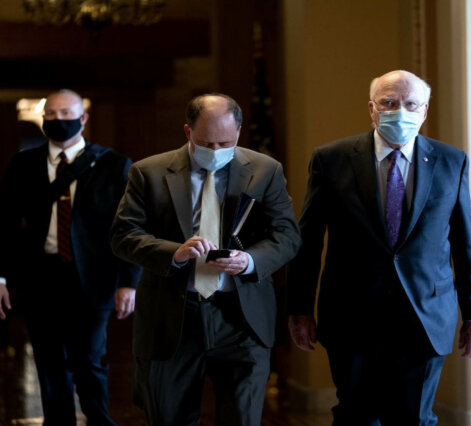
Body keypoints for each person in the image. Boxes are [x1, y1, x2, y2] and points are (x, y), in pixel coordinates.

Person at [286, 70, 471, 425]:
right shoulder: (331, 159)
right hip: (352, 314)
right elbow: (310, 239)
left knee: (413, 417)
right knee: (355, 415)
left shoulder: (450, 160)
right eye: (389, 103)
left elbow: (464, 240)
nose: (400, 111)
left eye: (411, 104)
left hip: (424, 313)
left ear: (424, 111)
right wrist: (299, 309)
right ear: (372, 109)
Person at [110, 93, 301, 425]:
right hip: (173, 317)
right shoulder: (148, 172)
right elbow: (122, 237)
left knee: (242, 418)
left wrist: (251, 260)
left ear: (239, 131)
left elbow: (287, 235)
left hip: (242, 318)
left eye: (224, 142)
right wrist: (175, 253)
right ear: (188, 133)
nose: (216, 151)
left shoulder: (265, 170)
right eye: (206, 143)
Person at [0, 89, 140, 425]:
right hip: (40, 277)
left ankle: (98, 419)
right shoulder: (23, 164)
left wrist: (128, 283)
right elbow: (4, 223)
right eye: (51, 114)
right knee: (48, 362)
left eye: (67, 113)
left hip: (93, 277)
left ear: (83, 118)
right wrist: (1, 277)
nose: (58, 120)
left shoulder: (114, 165)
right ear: (43, 117)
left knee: (88, 359)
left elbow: (130, 229)